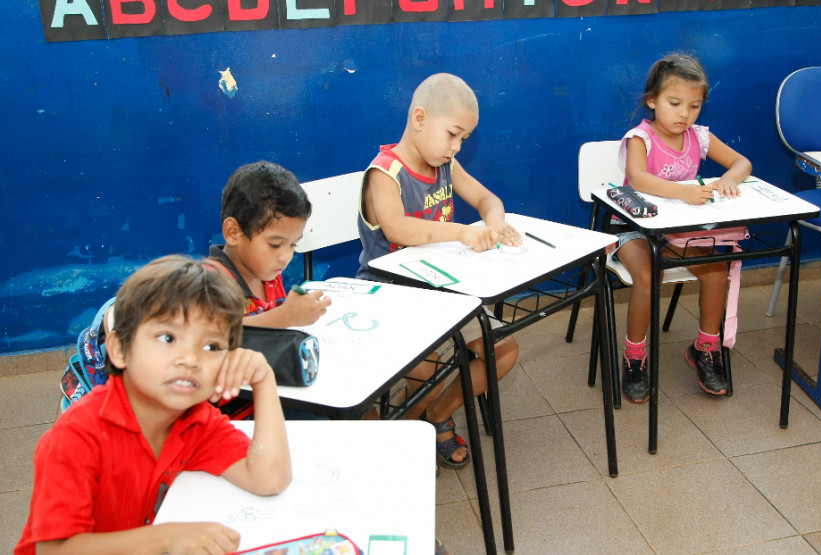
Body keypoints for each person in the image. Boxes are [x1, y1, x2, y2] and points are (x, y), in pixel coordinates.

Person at [16, 255, 291, 555]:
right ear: (120, 350)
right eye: (167, 337)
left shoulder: (195, 421)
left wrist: (263, 380)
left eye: (211, 346)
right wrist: (166, 538)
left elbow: (270, 478)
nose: (190, 359)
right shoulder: (78, 435)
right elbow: (54, 551)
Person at [356, 73, 521, 469]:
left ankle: (430, 416)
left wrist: (494, 221)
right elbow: (397, 228)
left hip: (443, 292)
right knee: (427, 362)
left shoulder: (446, 164)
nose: (456, 146)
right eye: (452, 134)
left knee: (503, 351)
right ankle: (403, 432)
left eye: (463, 138)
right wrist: (463, 232)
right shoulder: (384, 174)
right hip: (391, 293)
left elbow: (486, 198)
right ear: (419, 118)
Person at [616, 53, 752, 402]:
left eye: (694, 106)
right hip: (635, 229)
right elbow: (639, 178)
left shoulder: (700, 137)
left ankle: (705, 348)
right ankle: (634, 356)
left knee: (716, 271)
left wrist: (726, 180)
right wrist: (683, 192)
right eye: (674, 103)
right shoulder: (639, 138)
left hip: (679, 232)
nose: (684, 114)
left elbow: (742, 163)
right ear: (652, 100)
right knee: (648, 277)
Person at [209, 160, 331, 329]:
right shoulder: (209, 283)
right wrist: (285, 317)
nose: (285, 257)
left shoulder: (268, 273)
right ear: (233, 232)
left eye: (293, 245)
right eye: (275, 245)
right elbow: (216, 336)